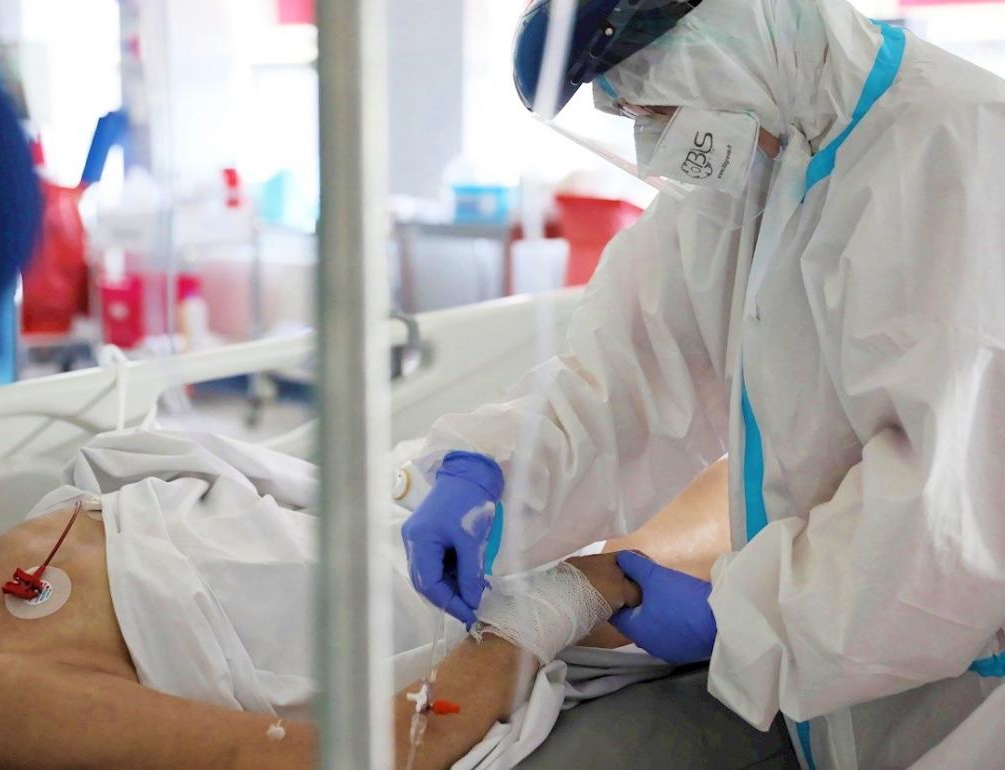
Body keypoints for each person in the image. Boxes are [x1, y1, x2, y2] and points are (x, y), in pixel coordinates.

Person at [400, 0, 1005, 767]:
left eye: (655, 102)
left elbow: (947, 517)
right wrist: (495, 470)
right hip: (835, 702)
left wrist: (751, 621)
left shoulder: (962, 156)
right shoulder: (764, 160)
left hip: (962, 702)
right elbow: (630, 376)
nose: (655, 135)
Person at [0, 430, 663, 770]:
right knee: (695, 561)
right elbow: (301, 758)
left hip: (392, 520)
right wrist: (558, 604)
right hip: (447, 596)